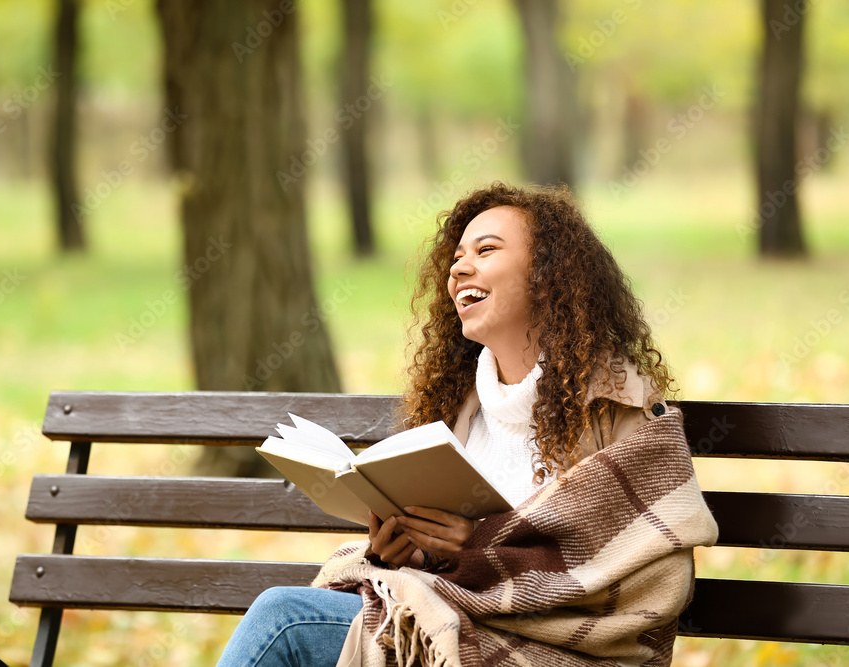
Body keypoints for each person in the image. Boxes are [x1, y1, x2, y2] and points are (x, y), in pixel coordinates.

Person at [216, 182, 717, 667]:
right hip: (448, 628)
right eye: (456, 258)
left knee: (286, 620)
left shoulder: (615, 407)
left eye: (486, 250)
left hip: (557, 650)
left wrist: (474, 550)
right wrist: (400, 555)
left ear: (548, 273)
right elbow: (443, 577)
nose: (460, 269)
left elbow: (640, 571)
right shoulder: (456, 408)